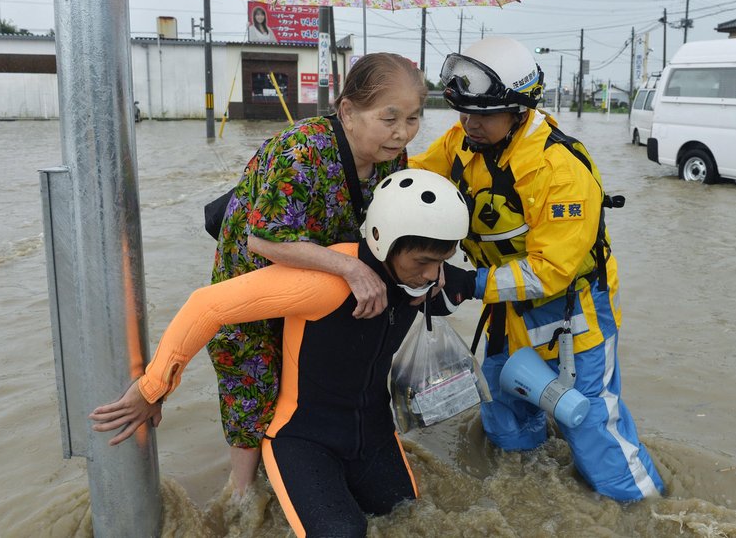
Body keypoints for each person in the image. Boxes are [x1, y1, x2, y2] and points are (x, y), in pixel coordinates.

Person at [91, 170, 477, 538]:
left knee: (408, 516)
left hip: (374, 434)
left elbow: (475, 282)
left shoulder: (423, 281)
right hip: (305, 439)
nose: (431, 275)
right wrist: (152, 388)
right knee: (343, 532)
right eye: (423, 262)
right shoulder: (328, 283)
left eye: (440, 261)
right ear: (383, 240)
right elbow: (207, 306)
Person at [410, 37, 665, 502]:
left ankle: (647, 512)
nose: (470, 125)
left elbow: (552, 271)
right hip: (507, 313)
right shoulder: (461, 145)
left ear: (520, 110)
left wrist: (468, 284)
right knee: (503, 417)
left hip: (573, 318)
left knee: (590, 426)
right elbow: (414, 183)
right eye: (464, 114)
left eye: (483, 116)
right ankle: (527, 496)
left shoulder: (560, 170)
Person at [211, 52, 425, 497]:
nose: (402, 132)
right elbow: (263, 240)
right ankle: (242, 492)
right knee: (253, 379)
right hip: (259, 279)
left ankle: (308, 464)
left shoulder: (392, 158)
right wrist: (349, 267)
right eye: (389, 118)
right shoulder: (302, 151)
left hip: (318, 280)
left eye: (413, 118)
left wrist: (424, 271)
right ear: (347, 111)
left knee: (309, 381)